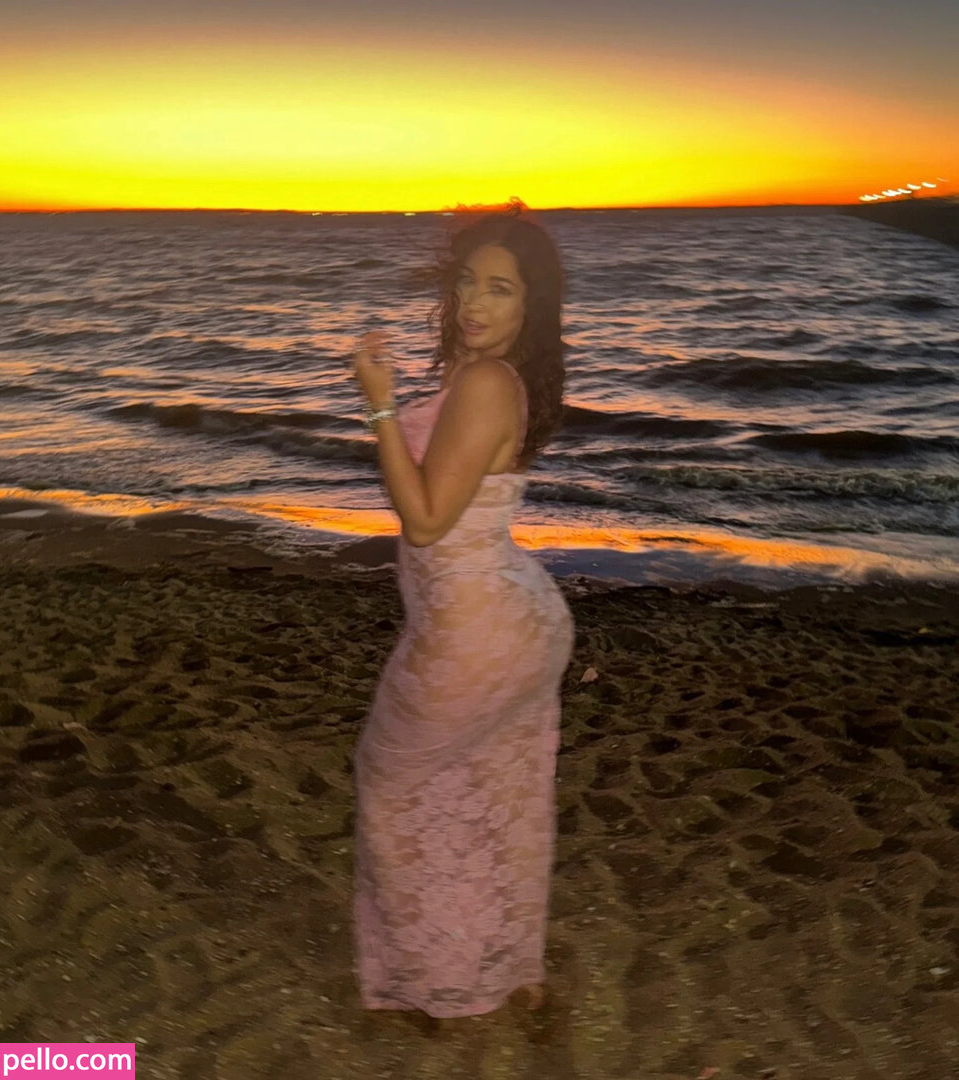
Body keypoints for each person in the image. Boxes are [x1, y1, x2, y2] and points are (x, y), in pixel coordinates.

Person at [350, 205, 575, 1021]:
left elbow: (425, 520)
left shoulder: (485, 383)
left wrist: (379, 406)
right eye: (467, 281)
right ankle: (506, 969)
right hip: (504, 616)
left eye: (500, 289)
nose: (474, 302)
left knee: (389, 782)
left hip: (475, 631)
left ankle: (432, 978)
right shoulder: (489, 374)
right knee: (493, 790)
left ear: (531, 306)